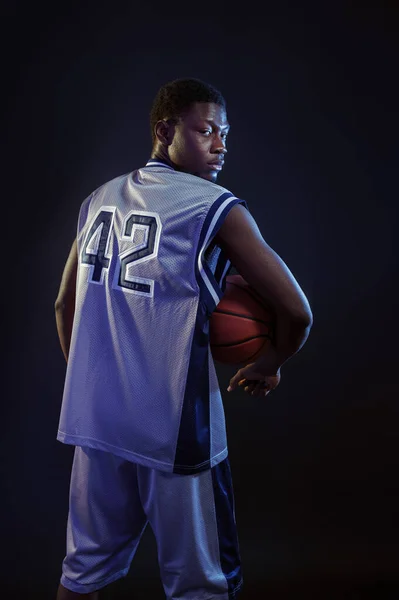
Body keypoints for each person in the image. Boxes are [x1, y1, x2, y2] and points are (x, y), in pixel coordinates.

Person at [54, 77, 313, 600]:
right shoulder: (214, 206)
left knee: (82, 574)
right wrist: (270, 360)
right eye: (205, 130)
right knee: (202, 586)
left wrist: (96, 380)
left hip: (97, 423)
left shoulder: (98, 198)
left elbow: (63, 306)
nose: (220, 144)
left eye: (225, 133)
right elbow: (297, 311)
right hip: (174, 432)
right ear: (163, 130)